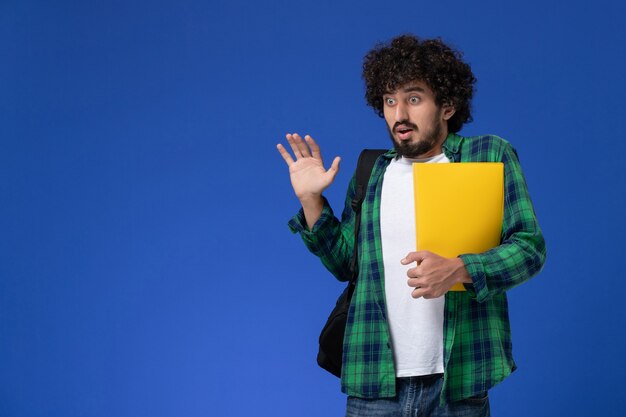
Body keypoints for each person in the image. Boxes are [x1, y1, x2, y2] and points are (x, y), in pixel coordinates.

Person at [276, 34, 546, 417]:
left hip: (459, 380)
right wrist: (311, 201)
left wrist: (463, 267)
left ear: (448, 105)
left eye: (413, 98)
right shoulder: (372, 171)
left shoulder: (487, 156)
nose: (399, 114)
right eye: (389, 101)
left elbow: (530, 248)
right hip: (375, 381)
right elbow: (345, 267)